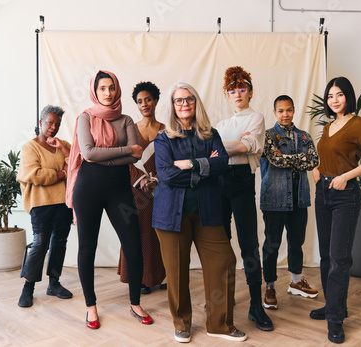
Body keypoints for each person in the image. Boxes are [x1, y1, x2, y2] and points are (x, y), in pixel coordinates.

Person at [153, 82, 247, 343]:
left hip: (207, 212)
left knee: (224, 262)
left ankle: (220, 325)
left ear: (196, 103)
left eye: (189, 99)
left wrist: (191, 164)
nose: (184, 104)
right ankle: (181, 323)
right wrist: (204, 170)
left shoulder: (210, 134)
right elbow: (167, 174)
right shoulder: (163, 138)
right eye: (179, 101)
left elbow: (222, 164)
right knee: (176, 271)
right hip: (171, 215)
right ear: (172, 106)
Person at [66, 70, 152, 329]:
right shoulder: (84, 117)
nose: (107, 93)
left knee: (133, 244)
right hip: (88, 188)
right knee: (87, 248)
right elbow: (90, 154)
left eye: (111, 87)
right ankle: (91, 306)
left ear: (117, 90)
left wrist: (111, 155)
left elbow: (136, 158)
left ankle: (135, 303)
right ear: (95, 90)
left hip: (119, 189)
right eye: (102, 88)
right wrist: (125, 150)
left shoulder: (126, 119)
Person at [311, 77, 361, 344]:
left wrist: (346, 177)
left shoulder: (359, 124)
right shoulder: (329, 126)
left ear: (348, 97)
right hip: (323, 193)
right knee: (326, 256)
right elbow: (324, 157)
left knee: (339, 258)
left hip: (345, 195)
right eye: (330, 96)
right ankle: (333, 306)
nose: (334, 100)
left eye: (339, 95)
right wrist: (316, 172)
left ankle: (336, 319)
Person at [215, 66, 273, 331]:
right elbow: (227, 149)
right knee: (221, 243)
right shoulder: (222, 125)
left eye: (241, 89)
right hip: (218, 183)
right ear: (227, 95)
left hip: (241, 181)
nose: (237, 94)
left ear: (249, 92)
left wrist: (217, 149)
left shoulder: (257, 118)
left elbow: (245, 146)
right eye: (232, 90)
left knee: (248, 243)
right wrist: (222, 149)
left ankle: (255, 305)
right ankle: (223, 300)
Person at [259, 95, 319, 311]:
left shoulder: (304, 136)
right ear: (274, 112)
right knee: (272, 245)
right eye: (281, 111)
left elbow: (313, 160)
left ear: (294, 111)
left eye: (289, 110)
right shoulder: (267, 136)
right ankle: (270, 286)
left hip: (300, 199)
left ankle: (296, 281)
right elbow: (275, 160)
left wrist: (291, 160)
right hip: (274, 199)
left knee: (297, 242)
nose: (285, 115)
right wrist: (299, 159)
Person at [17, 105, 73, 308]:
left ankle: (54, 284)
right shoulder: (30, 147)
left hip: (63, 203)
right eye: (50, 122)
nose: (53, 127)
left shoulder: (63, 144)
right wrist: (61, 173)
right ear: (41, 122)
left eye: (57, 124)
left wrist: (63, 152)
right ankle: (28, 288)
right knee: (40, 244)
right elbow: (34, 175)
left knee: (60, 242)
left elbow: (76, 164)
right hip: (40, 204)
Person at [117, 81, 166, 294]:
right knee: (136, 233)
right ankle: (139, 278)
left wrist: (158, 180)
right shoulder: (131, 129)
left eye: (147, 99)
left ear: (155, 100)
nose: (144, 104)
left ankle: (157, 276)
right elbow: (125, 160)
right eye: (139, 101)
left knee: (158, 233)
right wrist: (141, 180)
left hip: (160, 190)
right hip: (135, 190)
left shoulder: (166, 130)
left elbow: (171, 161)